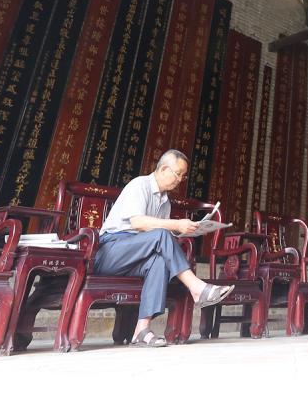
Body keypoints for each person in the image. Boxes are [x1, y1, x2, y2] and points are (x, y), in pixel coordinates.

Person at [91, 149, 234, 347]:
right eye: (178, 173)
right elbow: (138, 223)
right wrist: (175, 225)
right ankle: (196, 287)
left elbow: (156, 234)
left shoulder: (165, 201)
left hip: (135, 256)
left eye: (183, 176)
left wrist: (189, 230)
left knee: (159, 261)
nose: (179, 179)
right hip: (110, 251)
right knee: (161, 234)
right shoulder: (140, 185)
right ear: (164, 168)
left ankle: (142, 330)